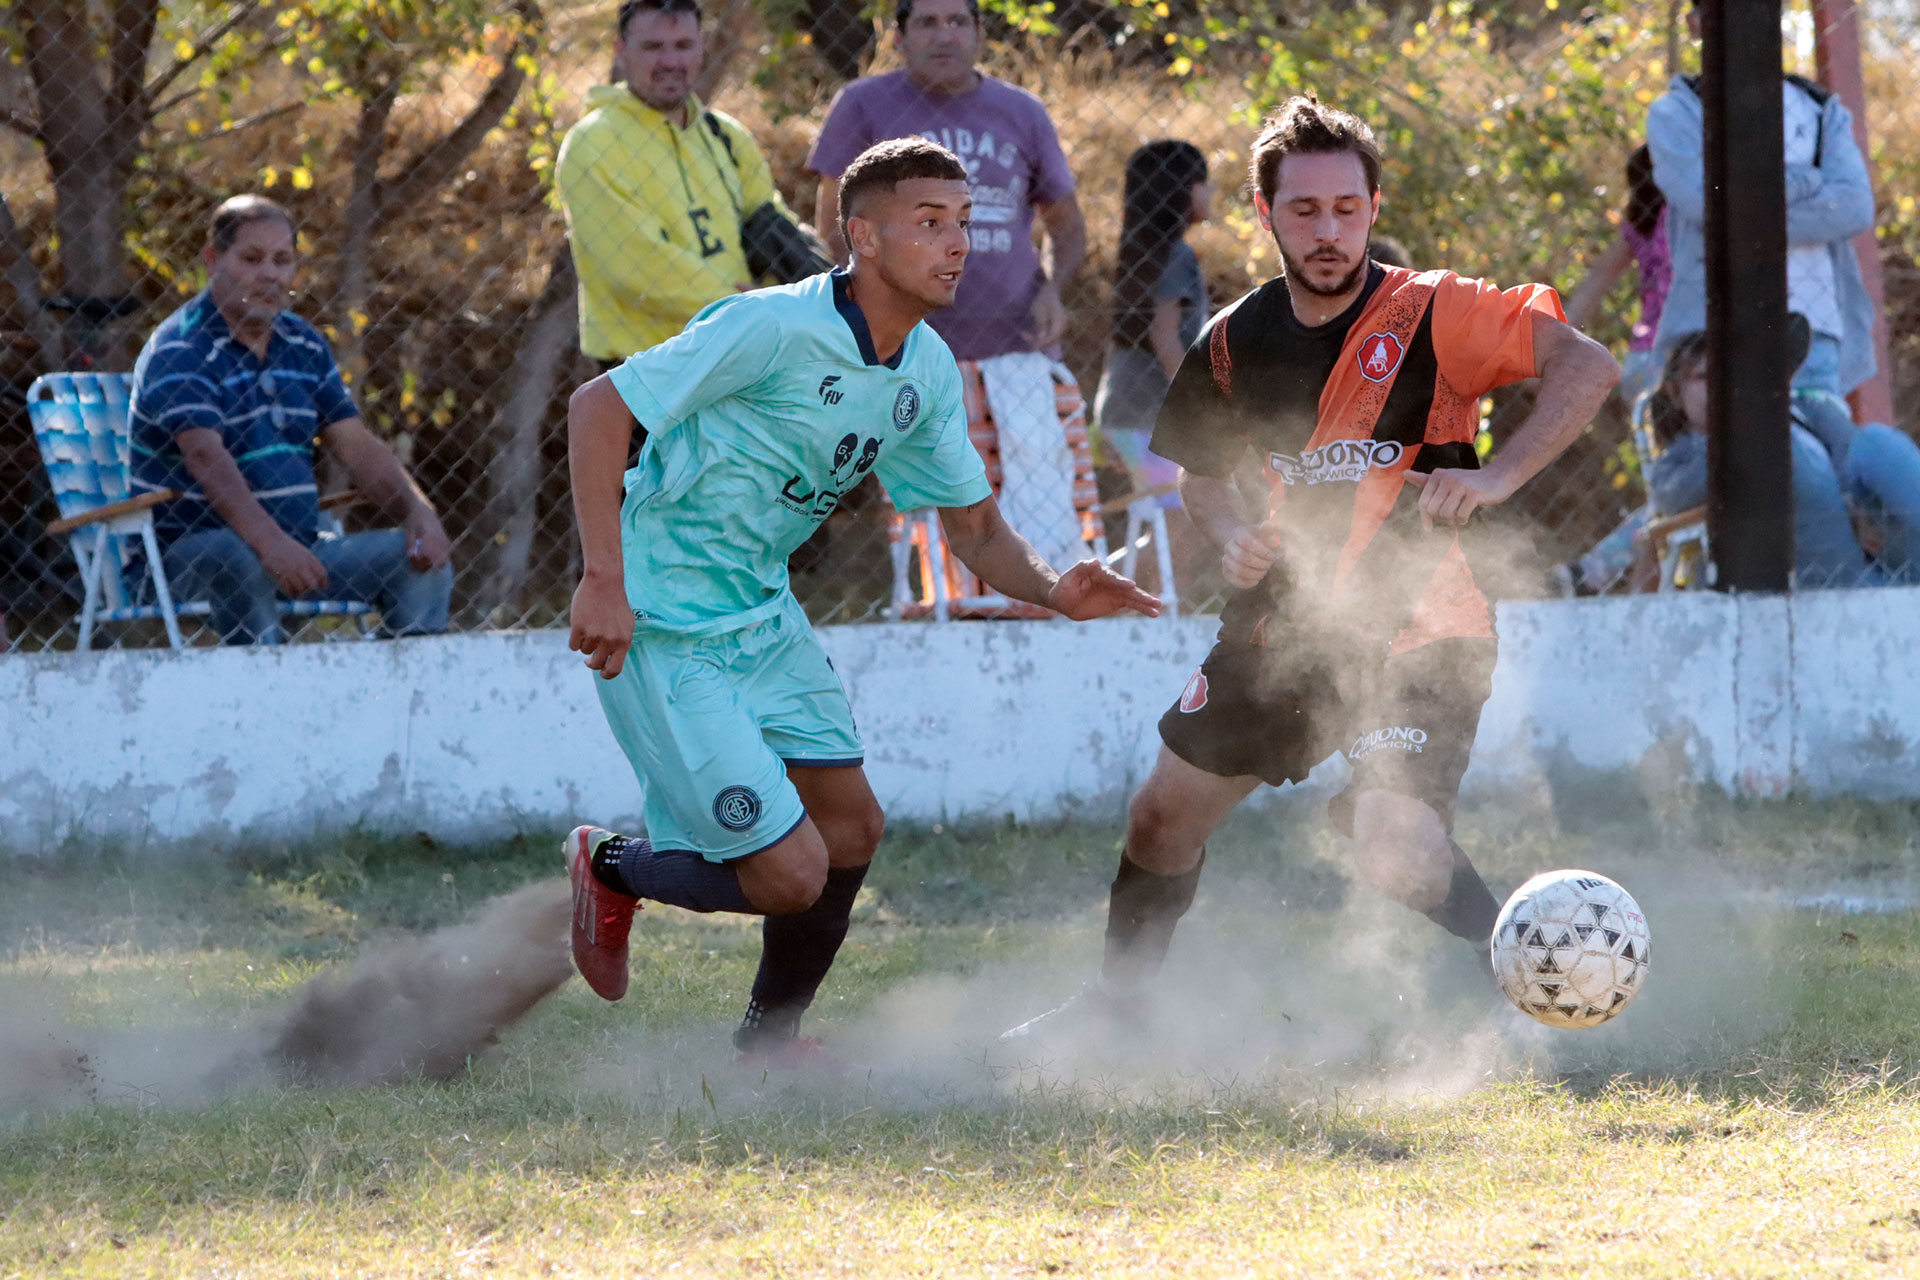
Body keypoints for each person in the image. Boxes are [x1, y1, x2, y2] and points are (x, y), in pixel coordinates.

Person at [1000, 97, 1619, 1043]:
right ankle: (1117, 1013)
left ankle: (1532, 991)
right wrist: (1232, 530)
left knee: (1393, 847)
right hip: (1282, 623)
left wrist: (1498, 476)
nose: (1327, 231)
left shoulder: (1436, 311)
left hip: (1422, 628)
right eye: (1304, 210)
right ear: (1265, 213)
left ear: (1373, 208)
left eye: (1345, 209)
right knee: (1160, 820)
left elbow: (1588, 365)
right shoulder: (1233, 340)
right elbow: (1202, 478)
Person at [563, 138, 1161, 1067]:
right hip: (663, 623)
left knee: (851, 829)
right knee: (792, 876)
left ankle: (768, 1047)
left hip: (762, 615)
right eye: (929, 222)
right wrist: (603, 579)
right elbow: (598, 408)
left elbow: (976, 531)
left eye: (963, 222)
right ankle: (609, 866)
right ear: (863, 237)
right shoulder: (769, 326)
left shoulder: (925, 370)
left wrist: (1054, 588)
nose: (957, 243)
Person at [806, 0, 1090, 571]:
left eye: (958, 21)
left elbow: (1067, 225)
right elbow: (834, 226)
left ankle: (1045, 598)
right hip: (912, 351)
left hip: (1017, 343)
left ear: (980, 31)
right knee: (938, 518)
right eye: (927, 23)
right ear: (899, 36)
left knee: (1040, 501)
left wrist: (1053, 289)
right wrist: (868, 313)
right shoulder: (864, 105)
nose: (944, 35)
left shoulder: (1021, 111)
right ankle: (947, 609)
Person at [128, 195, 452, 645]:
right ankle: (264, 687)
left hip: (300, 550)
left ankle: (402, 688)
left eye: (283, 261)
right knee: (234, 556)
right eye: (252, 259)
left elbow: (356, 445)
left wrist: (418, 511)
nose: (270, 274)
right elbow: (204, 457)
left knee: (415, 559)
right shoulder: (180, 348)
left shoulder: (304, 345)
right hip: (188, 561)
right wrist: (270, 544)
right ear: (213, 261)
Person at [555, 0, 828, 369]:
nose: (671, 61)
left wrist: (787, 298)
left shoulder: (725, 135)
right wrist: (753, 308)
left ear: (702, 48)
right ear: (621, 51)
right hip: (648, 368)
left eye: (683, 45)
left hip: (742, 355)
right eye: (653, 47)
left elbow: (773, 224)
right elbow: (637, 267)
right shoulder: (592, 143)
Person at [1646, 5, 1877, 403]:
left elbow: (1854, 208)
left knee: (1818, 436)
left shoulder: (1820, 111)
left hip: (1813, 327)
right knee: (1714, 439)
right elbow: (1705, 203)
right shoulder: (1677, 113)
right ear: (1695, 22)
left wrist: (1744, 209)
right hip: (1710, 325)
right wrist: (1807, 181)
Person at [1643, 327, 1920, 588]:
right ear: (1675, 393)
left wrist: (1853, 507)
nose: (1722, 386)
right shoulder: (1679, 460)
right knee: (1780, 451)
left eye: (1732, 374)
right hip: (1801, 587)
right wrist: (1738, 435)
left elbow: (1854, 450)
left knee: (1876, 440)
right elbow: (1673, 497)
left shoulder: (1803, 411)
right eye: (1705, 377)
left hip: (1878, 565)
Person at [1552, 145, 1673, 597]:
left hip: (1640, 363)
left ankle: (1600, 575)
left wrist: (1554, 343)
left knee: (1672, 488)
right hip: (1678, 364)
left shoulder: (1641, 224)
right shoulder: (1690, 217)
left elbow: (1596, 282)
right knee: (1678, 490)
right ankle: (1594, 571)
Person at [1092, 140, 1212, 510]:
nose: (1211, 192)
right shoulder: (1176, 254)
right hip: (1150, 419)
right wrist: (1201, 401)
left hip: (1122, 414)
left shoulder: (1140, 252)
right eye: (1204, 182)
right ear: (1182, 190)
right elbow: (1165, 335)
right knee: (1183, 519)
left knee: (1161, 519)